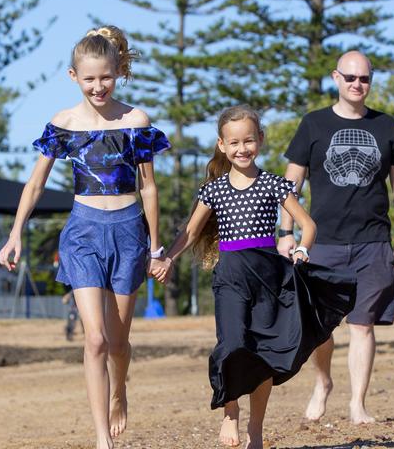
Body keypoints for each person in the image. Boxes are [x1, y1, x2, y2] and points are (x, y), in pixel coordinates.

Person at [0, 26, 168, 449]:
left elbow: (148, 187)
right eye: (89, 78)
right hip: (83, 233)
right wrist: (15, 233)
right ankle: (101, 439)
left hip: (129, 232)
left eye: (105, 77)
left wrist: (155, 245)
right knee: (94, 339)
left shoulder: (136, 122)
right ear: (74, 76)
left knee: (118, 342)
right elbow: (35, 184)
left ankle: (119, 390)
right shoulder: (63, 124)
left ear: (118, 72)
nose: (98, 86)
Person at [152, 106, 354, 449]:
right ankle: (230, 412)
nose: (242, 148)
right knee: (232, 346)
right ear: (221, 145)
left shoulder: (274, 184)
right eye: (234, 142)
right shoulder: (212, 191)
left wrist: (303, 251)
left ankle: (256, 431)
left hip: (270, 279)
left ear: (260, 139)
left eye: (249, 140)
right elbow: (189, 231)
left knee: (264, 357)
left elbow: (309, 225)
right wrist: (168, 258)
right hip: (230, 278)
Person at [279, 50, 394, 424]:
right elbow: (292, 181)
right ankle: (323, 382)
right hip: (322, 241)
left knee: (362, 324)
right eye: (351, 78)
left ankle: (358, 403)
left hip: (373, 241)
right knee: (320, 326)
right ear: (336, 78)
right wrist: (287, 231)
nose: (357, 84)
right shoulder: (313, 124)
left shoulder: (386, 126)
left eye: (364, 78)